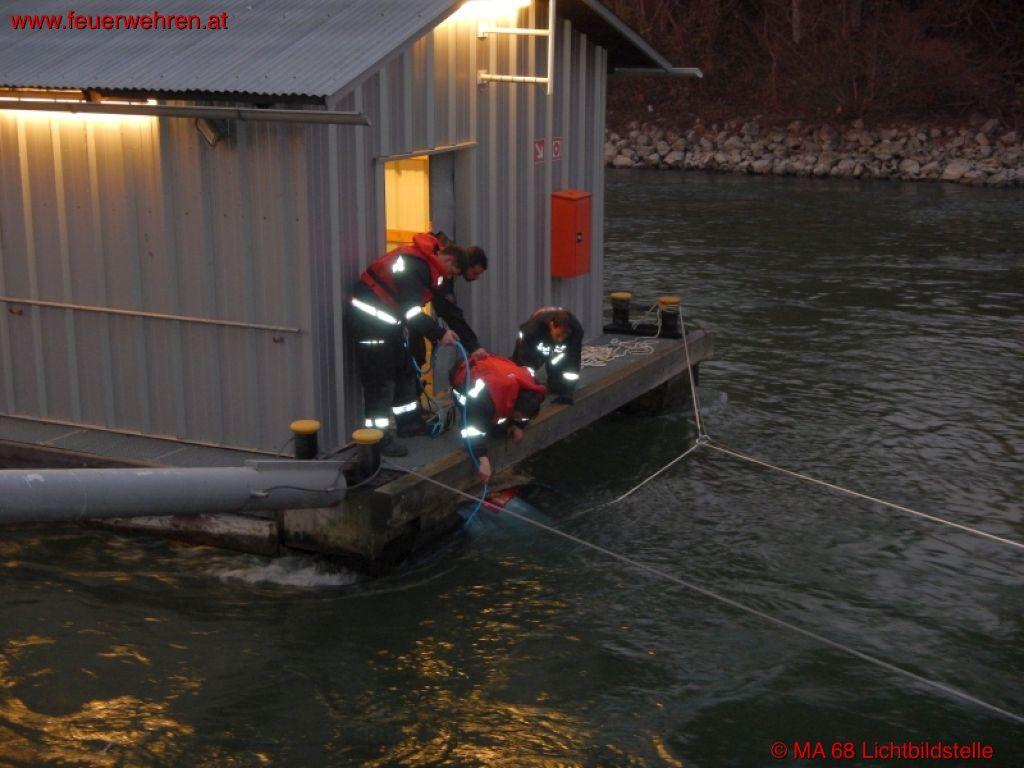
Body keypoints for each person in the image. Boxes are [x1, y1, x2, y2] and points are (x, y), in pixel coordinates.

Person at [350, 232, 464, 456]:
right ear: (449, 259)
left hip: (388, 325)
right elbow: (411, 311)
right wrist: (439, 333)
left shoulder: (424, 265)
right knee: (381, 383)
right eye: (453, 272)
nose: (450, 277)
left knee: (405, 372)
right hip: (370, 325)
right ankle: (377, 439)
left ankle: (408, 424)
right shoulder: (415, 265)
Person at [451, 353, 546, 483]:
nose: (521, 419)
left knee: (498, 428)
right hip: (463, 374)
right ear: (513, 407)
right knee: (483, 425)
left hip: (493, 368)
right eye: (518, 417)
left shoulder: (531, 387)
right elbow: (470, 428)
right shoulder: (486, 400)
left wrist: (517, 425)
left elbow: (525, 413)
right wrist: (482, 458)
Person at [511, 307, 583, 404]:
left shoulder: (576, 332)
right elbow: (525, 360)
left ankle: (557, 385)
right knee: (522, 369)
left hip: (550, 342)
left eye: (565, 336)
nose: (561, 340)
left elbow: (573, 361)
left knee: (559, 379)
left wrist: (568, 391)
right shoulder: (532, 330)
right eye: (558, 335)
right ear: (552, 325)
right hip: (533, 342)